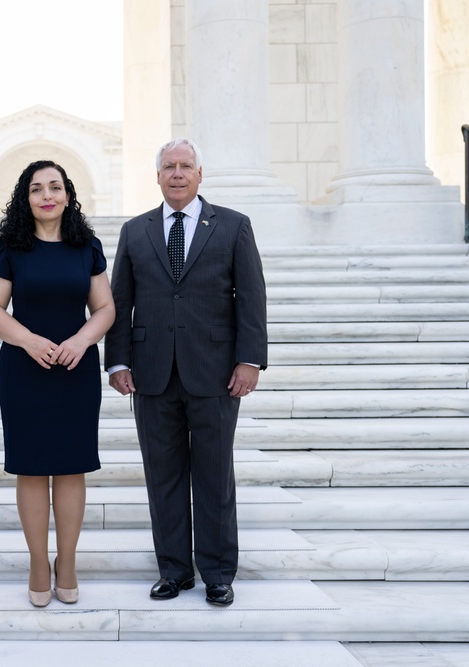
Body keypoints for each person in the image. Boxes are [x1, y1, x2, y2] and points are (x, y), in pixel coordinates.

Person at [105, 138, 267, 607]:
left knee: (214, 475)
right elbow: (120, 300)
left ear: (200, 174)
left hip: (217, 373)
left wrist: (249, 359)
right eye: (169, 167)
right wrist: (117, 361)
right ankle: (174, 571)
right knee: (164, 475)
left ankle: (217, 573)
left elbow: (251, 298)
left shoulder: (234, 226)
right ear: (157, 176)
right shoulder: (136, 231)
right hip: (151, 374)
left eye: (186, 166)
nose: (177, 174)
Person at [0, 160, 115, 607]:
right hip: (25, 370)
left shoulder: (86, 246)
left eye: (55, 187)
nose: (47, 195)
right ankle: (39, 561)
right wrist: (29, 341)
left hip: (75, 371)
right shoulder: (11, 247)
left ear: (69, 195)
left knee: (72, 466)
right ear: (26, 197)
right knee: (32, 468)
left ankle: (68, 561)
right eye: (37, 188)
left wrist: (80, 340)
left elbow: (105, 308)